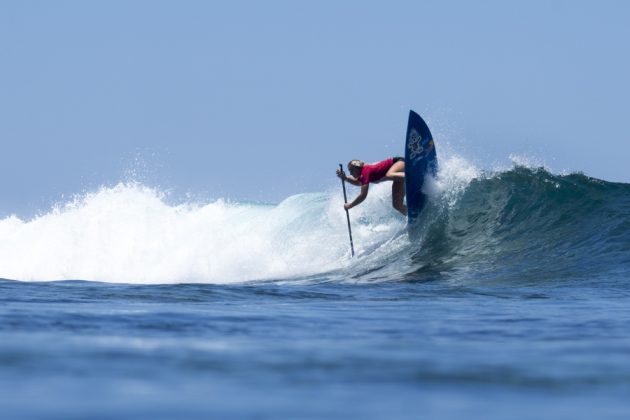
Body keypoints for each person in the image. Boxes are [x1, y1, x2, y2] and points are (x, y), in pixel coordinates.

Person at [336, 157, 407, 216]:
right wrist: (345, 178)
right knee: (397, 205)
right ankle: (414, 215)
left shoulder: (365, 171)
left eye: (351, 170)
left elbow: (363, 195)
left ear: (357, 167)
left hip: (399, 162)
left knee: (389, 175)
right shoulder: (364, 176)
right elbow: (358, 182)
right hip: (398, 177)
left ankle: (411, 176)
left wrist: (350, 205)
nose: (350, 173)